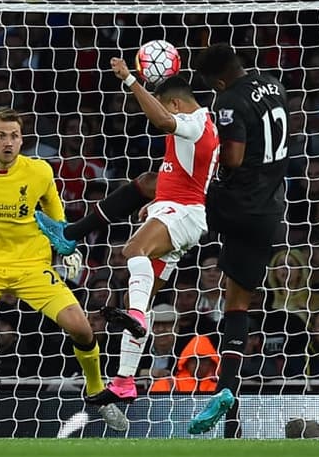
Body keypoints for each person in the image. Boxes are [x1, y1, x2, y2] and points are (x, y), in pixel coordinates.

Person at [0, 106, 128, 436]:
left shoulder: (40, 171)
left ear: (22, 139)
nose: (8, 142)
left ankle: (98, 393)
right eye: (1, 136)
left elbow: (57, 216)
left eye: (14, 136)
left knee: (82, 328)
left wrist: (68, 248)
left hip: (32, 264)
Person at [63, 63, 219, 409]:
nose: (164, 113)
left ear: (175, 104)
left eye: (166, 106)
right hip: (178, 213)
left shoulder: (193, 124)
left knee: (133, 251)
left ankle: (135, 317)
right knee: (144, 297)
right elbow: (180, 174)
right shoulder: (196, 131)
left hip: (183, 214)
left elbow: (163, 120)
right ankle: (124, 381)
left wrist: (131, 80)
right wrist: (159, 202)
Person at [187, 43, 289, 435]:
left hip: (234, 202)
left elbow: (231, 158)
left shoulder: (228, 100)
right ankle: (227, 394)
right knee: (236, 306)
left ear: (216, 81)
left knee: (164, 195)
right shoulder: (275, 85)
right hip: (268, 209)